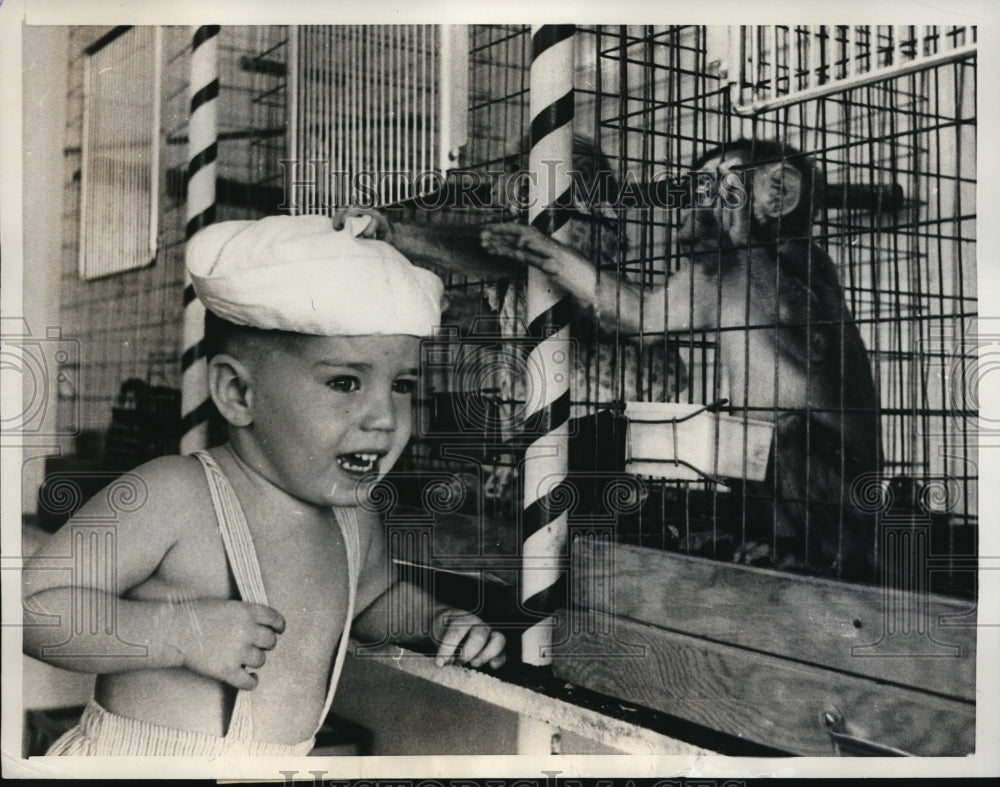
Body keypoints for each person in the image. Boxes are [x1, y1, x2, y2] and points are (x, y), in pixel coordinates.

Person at [23, 214, 506, 756]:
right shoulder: (174, 494)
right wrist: (176, 632)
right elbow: (31, 609)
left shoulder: (353, 515)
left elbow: (372, 599)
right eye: (345, 382)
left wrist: (435, 621)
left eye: (402, 386)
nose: (384, 418)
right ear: (238, 393)